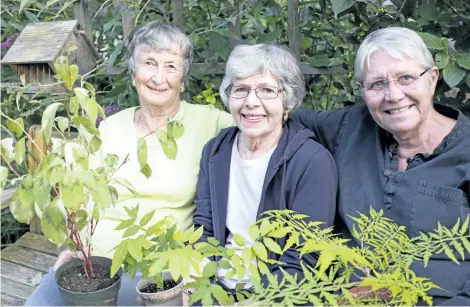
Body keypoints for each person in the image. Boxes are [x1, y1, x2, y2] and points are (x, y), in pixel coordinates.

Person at [25, 22, 233, 306]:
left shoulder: (211, 123)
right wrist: (72, 249)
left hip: (158, 272)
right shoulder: (109, 127)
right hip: (90, 266)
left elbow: (264, 128)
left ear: (183, 79)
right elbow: (84, 199)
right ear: (134, 73)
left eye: (171, 66)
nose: (158, 77)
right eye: (149, 63)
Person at [292, 27, 470, 305]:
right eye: (377, 84)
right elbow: (274, 117)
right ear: (362, 91)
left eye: (406, 78)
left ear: (432, 79)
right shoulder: (348, 126)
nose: (394, 95)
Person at [193, 44, 338, 294]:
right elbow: (204, 227)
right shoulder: (215, 151)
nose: (251, 102)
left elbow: (306, 259)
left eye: (267, 90)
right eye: (241, 89)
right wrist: (200, 285)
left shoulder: (312, 161)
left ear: (288, 102)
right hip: (215, 290)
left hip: (277, 295)